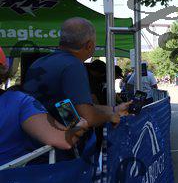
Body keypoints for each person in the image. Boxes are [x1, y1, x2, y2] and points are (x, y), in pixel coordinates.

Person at [23, 18, 130, 159]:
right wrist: (110, 115)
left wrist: (114, 110)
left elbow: (66, 107)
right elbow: (86, 116)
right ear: (89, 45)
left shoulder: (39, 62)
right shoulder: (73, 65)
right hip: (58, 156)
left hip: (30, 149)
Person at [0, 46, 88, 166]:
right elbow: (65, 140)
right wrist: (79, 127)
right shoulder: (18, 101)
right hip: (12, 175)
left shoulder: (19, 100)